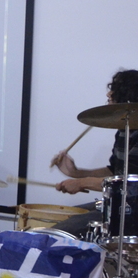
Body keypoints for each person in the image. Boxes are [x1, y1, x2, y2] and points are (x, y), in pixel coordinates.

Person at [51, 69, 138, 237]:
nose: (108, 94)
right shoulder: (124, 129)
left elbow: (130, 184)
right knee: (62, 219)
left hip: (132, 212)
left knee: (61, 233)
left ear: (129, 96)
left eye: (115, 89)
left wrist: (81, 183)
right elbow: (115, 172)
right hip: (119, 205)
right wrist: (76, 173)